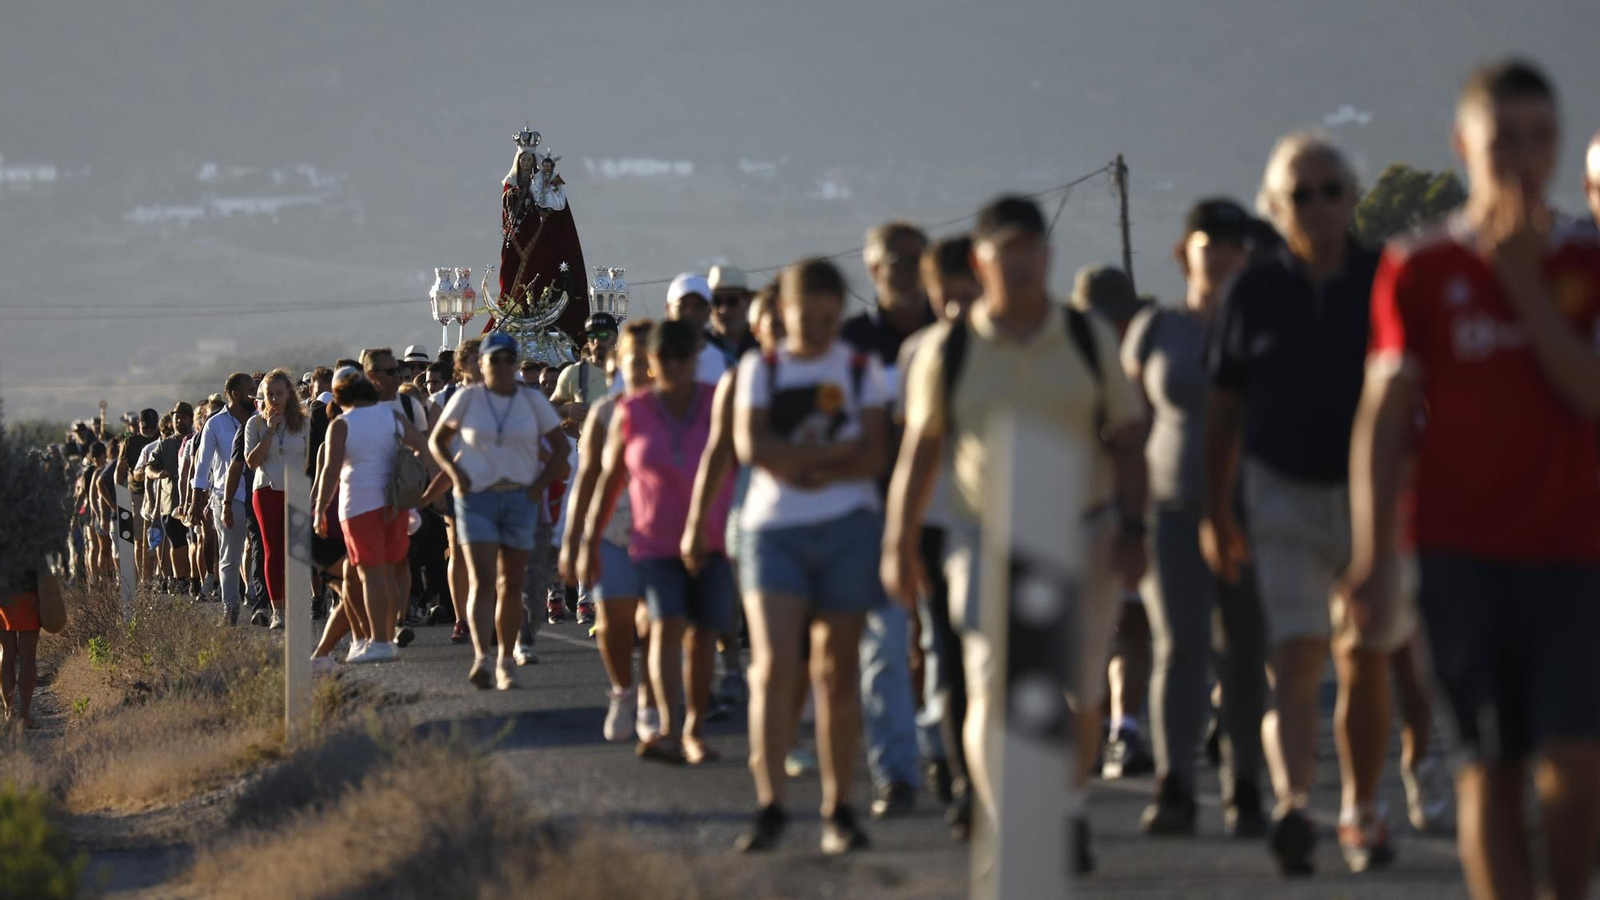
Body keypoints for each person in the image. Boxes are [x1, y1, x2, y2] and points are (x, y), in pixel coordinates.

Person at [1347, 59, 1600, 900]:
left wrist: (1525, 282)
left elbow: (1589, 393)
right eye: (1504, 142)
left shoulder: (1584, 262)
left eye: (1541, 140)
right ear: (1465, 146)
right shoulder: (1420, 267)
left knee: (1575, 755)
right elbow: (1384, 417)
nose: (1523, 159)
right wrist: (1374, 555)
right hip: (1460, 554)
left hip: (1574, 547)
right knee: (1489, 764)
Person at [883, 196, 1148, 875]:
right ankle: (1006, 819)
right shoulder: (951, 350)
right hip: (986, 534)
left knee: (1080, 692)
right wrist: (900, 541)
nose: (1025, 262)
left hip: (1083, 531)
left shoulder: (1087, 339)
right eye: (1009, 251)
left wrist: (1134, 528)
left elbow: (1127, 437)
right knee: (989, 685)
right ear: (982, 261)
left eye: (1034, 249)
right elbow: (920, 449)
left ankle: (1069, 807)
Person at [1203, 133, 1396, 875]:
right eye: (1299, 195)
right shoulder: (1251, 293)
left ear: (1352, 198)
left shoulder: (1387, 280)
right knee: (1297, 653)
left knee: (1366, 658)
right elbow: (1222, 408)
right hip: (1278, 491)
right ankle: (1294, 806)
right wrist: (1216, 512)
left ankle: (1363, 807)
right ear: (1276, 208)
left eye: (1330, 191)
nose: (1317, 207)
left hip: (1372, 493)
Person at [730, 258, 890, 855]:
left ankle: (838, 806)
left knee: (837, 669)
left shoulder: (857, 367)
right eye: (807, 317)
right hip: (777, 530)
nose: (820, 329)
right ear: (784, 312)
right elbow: (754, 447)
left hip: (848, 526)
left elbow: (875, 452)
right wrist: (831, 459)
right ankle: (770, 803)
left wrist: (800, 462)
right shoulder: (759, 369)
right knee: (774, 667)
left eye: (831, 317)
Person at [1122, 199, 1269, 837]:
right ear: (1186, 253)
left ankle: (1246, 786)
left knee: (1245, 653)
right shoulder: (1157, 330)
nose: (1227, 260)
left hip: (1252, 509)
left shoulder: (1267, 326)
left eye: (1238, 250)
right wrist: (1121, 514)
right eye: (1214, 247)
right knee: (1179, 644)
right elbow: (1128, 428)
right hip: (1171, 508)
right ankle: (1174, 783)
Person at [582, 319, 735, 765]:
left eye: (681, 356)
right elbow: (605, 481)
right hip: (650, 541)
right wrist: (584, 540)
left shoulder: (716, 401)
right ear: (651, 362)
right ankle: (665, 725)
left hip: (712, 540)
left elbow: (738, 463)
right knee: (664, 625)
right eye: (662, 357)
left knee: (704, 635)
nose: (672, 365)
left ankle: (693, 729)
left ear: (694, 359)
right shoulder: (630, 412)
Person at [885, 233, 982, 839]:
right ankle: (959, 770)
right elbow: (909, 447)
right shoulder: (919, 352)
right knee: (949, 654)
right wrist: (903, 532)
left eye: (965, 286)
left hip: (1006, 524)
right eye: (945, 289)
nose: (956, 300)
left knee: (999, 658)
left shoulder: (1019, 345)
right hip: (940, 523)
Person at [840, 220, 933, 820]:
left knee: (950, 650)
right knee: (885, 652)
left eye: (912, 260)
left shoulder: (954, 334)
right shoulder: (850, 344)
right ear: (873, 271)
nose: (902, 270)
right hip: (874, 515)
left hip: (949, 514)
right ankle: (897, 773)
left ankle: (948, 758)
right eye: (891, 262)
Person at [429, 333, 569, 689]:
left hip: (521, 497)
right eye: (495, 359)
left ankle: (506, 659)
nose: (503, 366)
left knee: (512, 582)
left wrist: (537, 487)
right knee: (483, 579)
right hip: (477, 499)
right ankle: (482, 657)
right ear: (483, 364)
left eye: (509, 359)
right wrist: (457, 475)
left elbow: (559, 450)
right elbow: (437, 441)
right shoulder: (467, 399)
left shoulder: (531, 400)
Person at [563, 320, 659, 741]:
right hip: (612, 526)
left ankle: (653, 701)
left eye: (645, 360)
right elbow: (586, 479)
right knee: (613, 622)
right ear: (618, 365)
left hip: (662, 530)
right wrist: (573, 540)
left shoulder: (676, 407)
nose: (638, 367)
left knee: (656, 623)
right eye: (630, 360)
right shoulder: (606, 412)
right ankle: (624, 689)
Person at [311, 367, 429, 665]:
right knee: (387, 573)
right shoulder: (392, 418)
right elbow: (423, 447)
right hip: (394, 504)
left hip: (359, 505)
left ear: (338, 396)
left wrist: (321, 508)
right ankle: (385, 637)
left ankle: (378, 641)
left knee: (370, 574)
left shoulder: (341, 424)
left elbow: (331, 471)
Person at [234, 369, 309, 630]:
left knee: (298, 551)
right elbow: (252, 462)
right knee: (273, 550)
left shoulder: (303, 421)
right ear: (262, 398)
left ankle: (299, 603)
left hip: (297, 488)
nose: (275, 399)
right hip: (266, 488)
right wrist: (269, 432)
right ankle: (278, 610)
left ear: (289, 393)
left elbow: (309, 458)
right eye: (269, 395)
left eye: (279, 393)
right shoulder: (254, 424)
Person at [191, 373, 256, 625]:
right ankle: (231, 608)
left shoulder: (260, 420)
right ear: (236, 394)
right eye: (251, 390)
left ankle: (264, 603)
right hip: (228, 498)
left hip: (259, 493)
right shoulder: (215, 424)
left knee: (262, 552)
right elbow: (202, 466)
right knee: (230, 554)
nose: (255, 394)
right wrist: (196, 502)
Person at [551, 313, 620, 426]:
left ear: (616, 338)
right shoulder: (573, 373)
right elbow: (549, 409)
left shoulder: (632, 370)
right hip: (589, 442)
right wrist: (567, 409)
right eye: (592, 337)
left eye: (603, 335)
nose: (597, 342)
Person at [666, 273, 732, 386]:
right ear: (668, 309)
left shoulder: (726, 360)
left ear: (709, 312)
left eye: (698, 307)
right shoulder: (653, 357)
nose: (690, 313)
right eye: (683, 306)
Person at [706, 264, 760, 367]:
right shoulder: (702, 346)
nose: (724, 310)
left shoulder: (763, 342)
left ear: (748, 302)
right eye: (716, 302)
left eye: (732, 301)